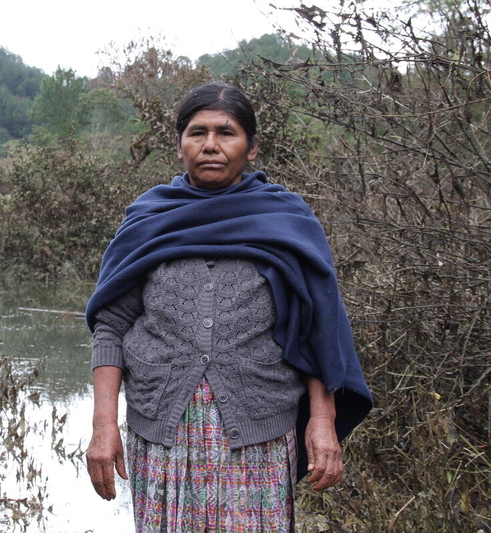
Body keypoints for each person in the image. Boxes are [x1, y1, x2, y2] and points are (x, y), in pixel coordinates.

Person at [84, 81, 372, 532]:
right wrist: (104, 423)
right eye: (197, 133)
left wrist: (322, 419)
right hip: (160, 432)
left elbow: (316, 326)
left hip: (259, 434)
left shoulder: (287, 220)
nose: (211, 145)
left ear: (252, 147)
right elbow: (112, 325)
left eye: (227, 132)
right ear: (180, 146)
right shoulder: (148, 220)